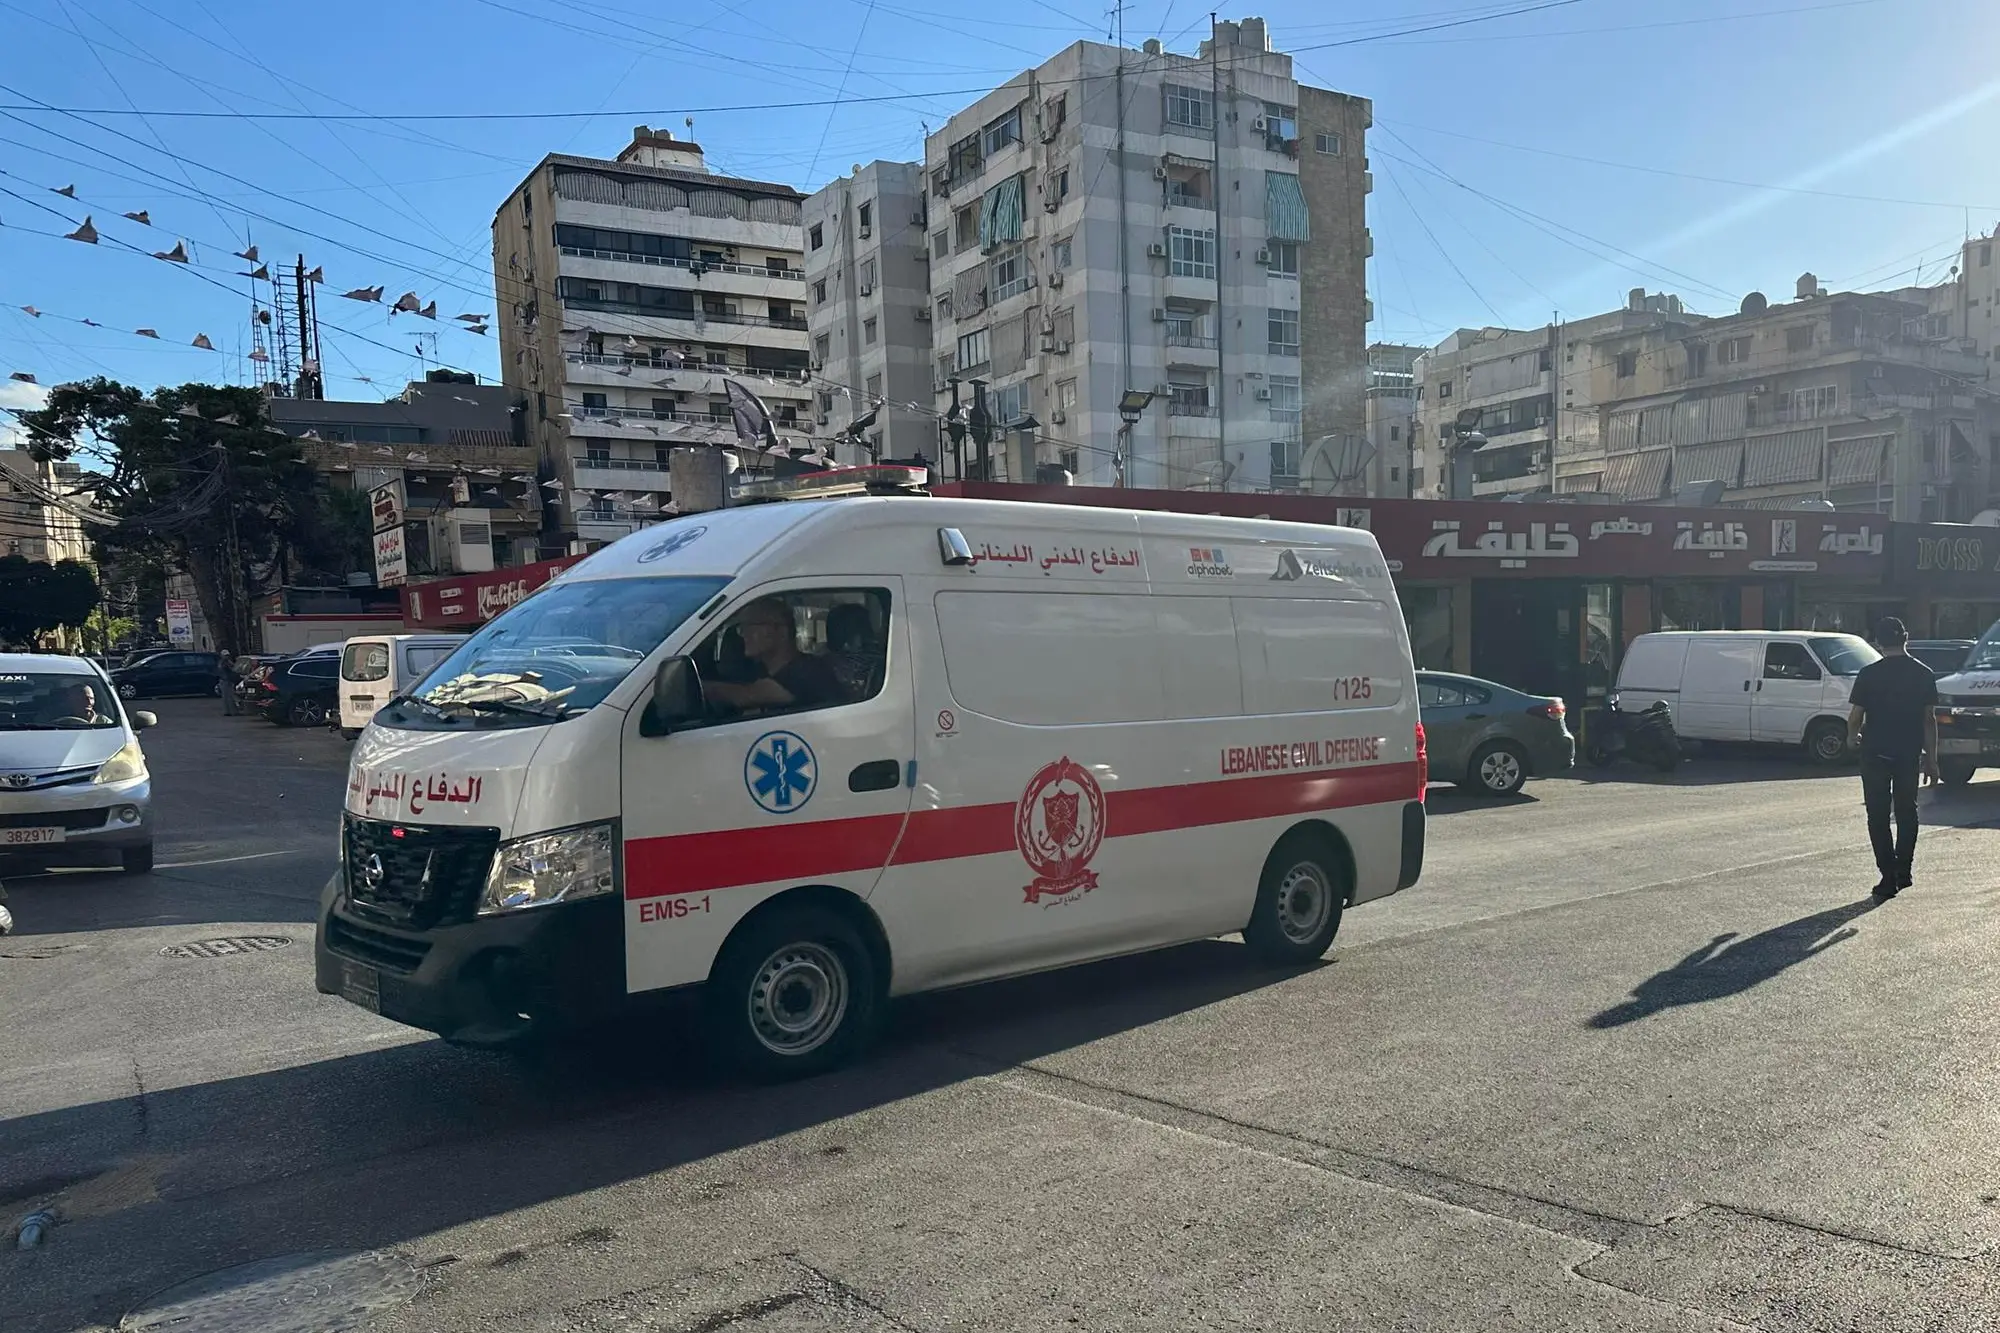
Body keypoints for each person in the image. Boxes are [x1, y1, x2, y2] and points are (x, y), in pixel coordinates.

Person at [1848, 617, 1940, 899]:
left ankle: (1887, 876)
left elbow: (1856, 716)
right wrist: (1933, 759)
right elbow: (1929, 720)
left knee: (1877, 815)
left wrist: (1852, 737)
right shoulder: (1924, 673)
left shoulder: (1868, 674)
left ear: (1877, 642)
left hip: (1874, 751)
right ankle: (1904, 869)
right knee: (1906, 811)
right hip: (1908, 752)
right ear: (1906, 637)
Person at [703, 598, 846, 716]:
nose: (743, 634)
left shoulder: (807, 672)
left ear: (782, 631)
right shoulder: (759, 670)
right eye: (742, 628)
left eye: (751, 626)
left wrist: (695, 687)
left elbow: (745, 696)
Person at [218, 650, 241, 716]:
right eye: (225, 656)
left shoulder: (228, 662)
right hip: (225, 681)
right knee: (227, 697)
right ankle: (228, 712)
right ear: (222, 656)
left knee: (231, 697)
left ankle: (232, 711)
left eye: (227, 655)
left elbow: (234, 669)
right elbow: (223, 671)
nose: (226, 657)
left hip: (229, 681)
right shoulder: (222, 663)